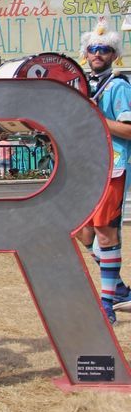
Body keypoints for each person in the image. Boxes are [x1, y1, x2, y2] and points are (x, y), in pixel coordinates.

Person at [75, 20, 131, 323]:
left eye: (105, 49)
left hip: (113, 166)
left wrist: (93, 116)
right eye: (93, 49)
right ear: (85, 53)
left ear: (114, 55)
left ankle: (107, 305)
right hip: (85, 166)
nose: (98, 53)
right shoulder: (82, 84)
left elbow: (128, 129)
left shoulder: (119, 86)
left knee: (105, 233)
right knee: (81, 231)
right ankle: (120, 288)